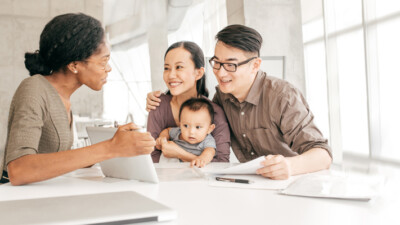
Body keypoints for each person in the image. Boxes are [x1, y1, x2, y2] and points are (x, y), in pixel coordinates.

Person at [146, 25, 332, 180]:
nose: (221, 73)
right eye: (217, 63)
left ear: (255, 65)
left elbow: (323, 154)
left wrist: (289, 166)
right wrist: (161, 96)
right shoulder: (222, 98)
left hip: (294, 181)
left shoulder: (282, 96)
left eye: (231, 65)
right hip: (255, 182)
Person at [1, 13, 156, 186]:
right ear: (74, 65)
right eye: (103, 62)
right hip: (16, 202)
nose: (109, 69)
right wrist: (110, 147)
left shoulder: (62, 97)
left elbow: (55, 157)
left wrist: (112, 148)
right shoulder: (34, 89)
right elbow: (19, 169)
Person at [146, 41, 230, 163]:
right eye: (166, 68)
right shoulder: (157, 105)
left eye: (179, 67)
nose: (171, 75)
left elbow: (222, 163)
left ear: (199, 73)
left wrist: (181, 154)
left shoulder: (214, 112)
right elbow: (152, 158)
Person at [157, 98, 217, 167]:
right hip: (171, 167)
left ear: (210, 129)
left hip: (192, 169)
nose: (191, 132)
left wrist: (201, 159)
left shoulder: (207, 140)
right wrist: (162, 138)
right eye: (186, 125)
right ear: (180, 124)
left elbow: (210, 152)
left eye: (198, 127)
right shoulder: (178, 132)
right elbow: (167, 130)